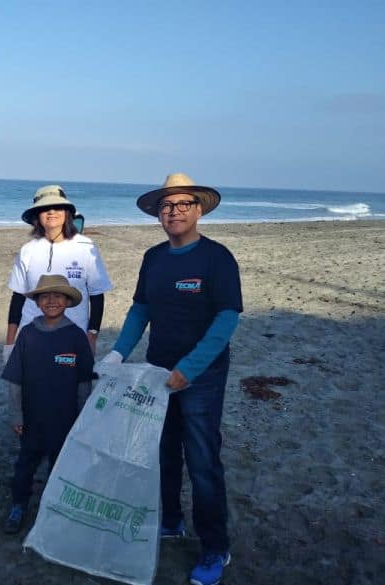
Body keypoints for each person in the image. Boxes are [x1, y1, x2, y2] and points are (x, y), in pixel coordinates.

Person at [97, 173, 242, 585]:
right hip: (158, 373)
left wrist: (189, 370)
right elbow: (140, 309)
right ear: (158, 214)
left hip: (202, 379)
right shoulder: (154, 258)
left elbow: (227, 318)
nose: (173, 212)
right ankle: (171, 522)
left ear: (198, 210)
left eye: (183, 205)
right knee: (162, 455)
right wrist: (117, 353)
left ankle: (215, 547)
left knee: (202, 463)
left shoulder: (217, 258)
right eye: (166, 206)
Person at [1, 274, 95, 534]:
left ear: (67, 301)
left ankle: (55, 508)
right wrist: (16, 416)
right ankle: (19, 505)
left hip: (66, 420)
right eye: (45, 296)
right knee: (25, 466)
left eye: (57, 296)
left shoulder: (76, 337)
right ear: (37, 301)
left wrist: (83, 419)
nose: (51, 300)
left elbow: (84, 383)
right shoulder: (28, 334)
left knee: (61, 466)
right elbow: (14, 381)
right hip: (32, 419)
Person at [4, 185, 112, 363]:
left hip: (74, 339)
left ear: (67, 213)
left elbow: (97, 296)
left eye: (57, 207)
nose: (51, 211)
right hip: (31, 337)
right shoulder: (28, 250)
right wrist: (9, 344)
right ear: (36, 216)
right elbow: (17, 297)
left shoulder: (86, 247)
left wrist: (91, 337)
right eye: (44, 208)